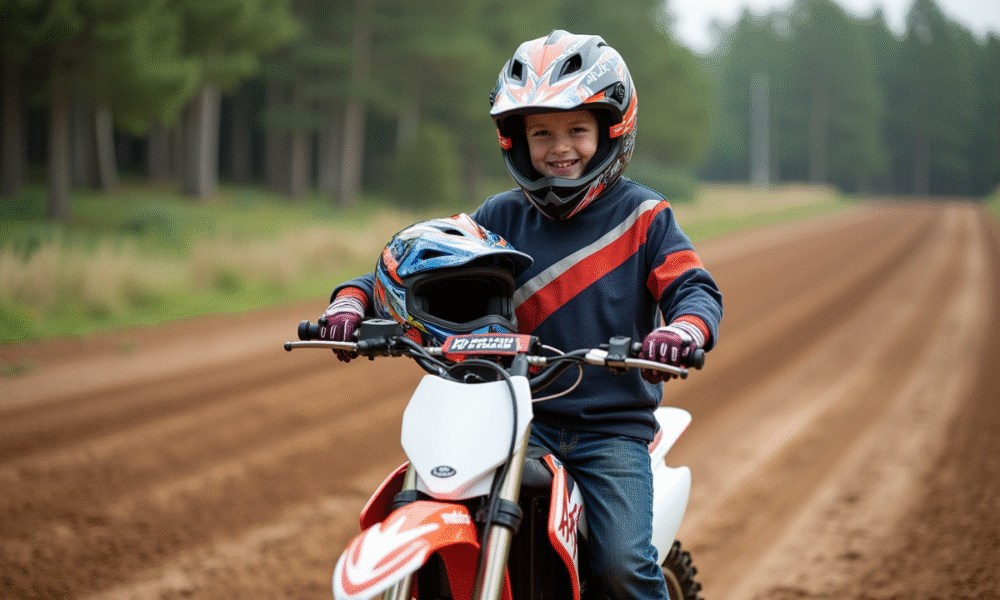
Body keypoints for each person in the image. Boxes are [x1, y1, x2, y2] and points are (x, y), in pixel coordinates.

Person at [320, 29, 722, 600]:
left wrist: (680, 331)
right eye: (542, 132)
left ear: (612, 131)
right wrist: (351, 302)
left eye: (576, 129)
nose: (560, 147)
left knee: (621, 565)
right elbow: (414, 267)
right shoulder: (498, 217)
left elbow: (694, 290)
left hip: (607, 431)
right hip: (506, 420)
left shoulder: (644, 217)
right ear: (516, 140)